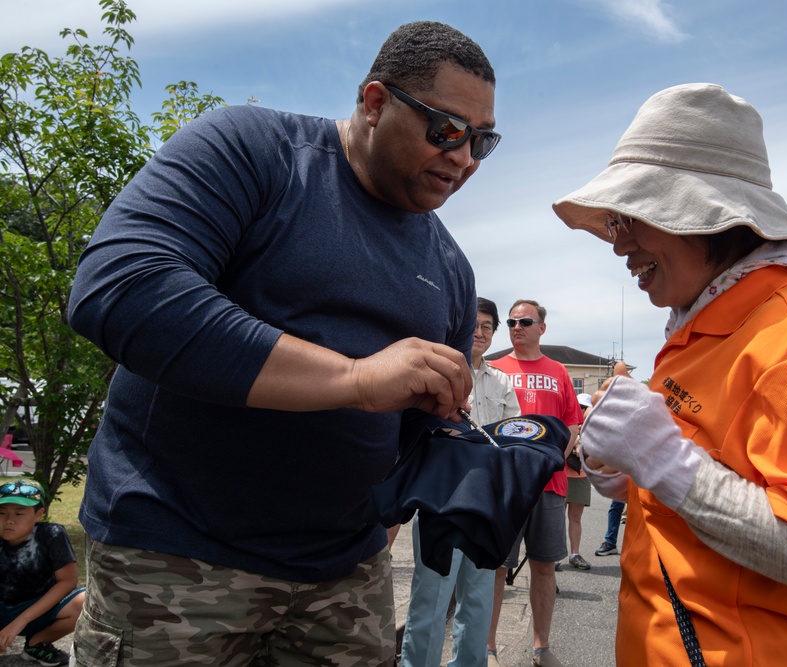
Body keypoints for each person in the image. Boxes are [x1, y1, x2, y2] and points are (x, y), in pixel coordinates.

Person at [66, 21, 499, 666]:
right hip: (179, 557)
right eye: (447, 129)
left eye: (481, 142)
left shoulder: (450, 266)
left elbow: (425, 420)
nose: (462, 157)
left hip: (346, 578)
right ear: (375, 103)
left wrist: (419, 493)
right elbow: (123, 289)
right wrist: (353, 379)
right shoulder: (255, 150)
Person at [552, 83, 787, 665]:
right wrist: (635, 473)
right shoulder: (705, 324)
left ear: (706, 218)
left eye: (633, 218)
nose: (619, 245)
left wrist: (663, 461)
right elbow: (722, 483)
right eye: (616, 223)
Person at [400, 298, 520, 667]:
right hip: (442, 498)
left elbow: (513, 438)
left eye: (488, 326)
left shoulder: (502, 382)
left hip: (486, 504)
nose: (481, 332)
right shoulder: (436, 372)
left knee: (479, 600)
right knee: (431, 598)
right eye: (475, 324)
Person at [487, 300, 583, 667]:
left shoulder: (558, 372)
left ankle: (542, 648)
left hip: (548, 484)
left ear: (542, 327)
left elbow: (572, 425)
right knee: (496, 565)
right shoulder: (495, 370)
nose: (516, 327)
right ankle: (489, 646)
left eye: (525, 321)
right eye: (511, 322)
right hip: (505, 485)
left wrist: (553, 460)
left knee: (544, 565)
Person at [0, 480, 84, 666]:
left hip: (38, 609)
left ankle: (36, 643)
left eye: (19, 513)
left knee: (86, 601)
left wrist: (21, 621)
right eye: (2, 513)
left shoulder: (51, 534)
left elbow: (68, 581)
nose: (9, 520)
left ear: (39, 514)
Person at [563, 393, 593, 571]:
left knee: (575, 517)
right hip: (561, 473)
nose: (581, 411)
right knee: (557, 517)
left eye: (584, 407)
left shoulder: (592, 426)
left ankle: (575, 553)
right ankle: (554, 557)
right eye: (580, 406)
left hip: (581, 475)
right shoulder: (566, 420)